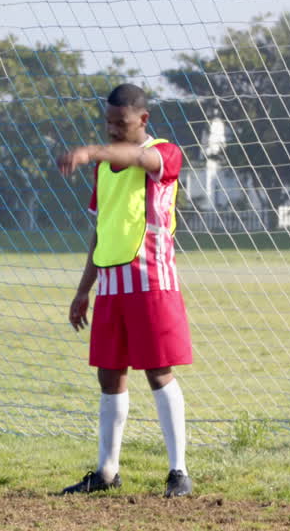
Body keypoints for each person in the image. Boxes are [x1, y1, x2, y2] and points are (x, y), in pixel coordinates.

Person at [56, 83, 193, 498]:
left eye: (122, 122)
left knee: (158, 370)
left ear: (143, 120)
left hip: (152, 282)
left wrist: (90, 151)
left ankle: (178, 472)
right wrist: (84, 291)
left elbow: (136, 156)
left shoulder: (165, 153)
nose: (114, 129)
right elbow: (100, 231)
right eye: (108, 123)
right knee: (109, 374)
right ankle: (107, 471)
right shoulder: (103, 170)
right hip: (112, 287)